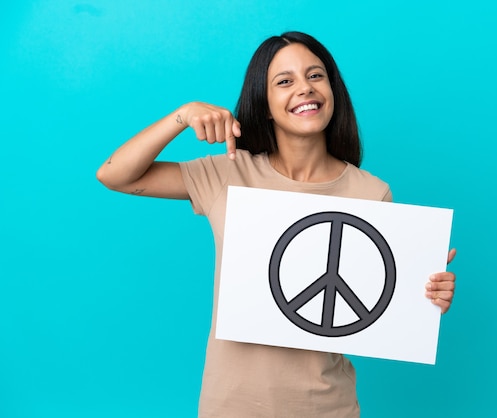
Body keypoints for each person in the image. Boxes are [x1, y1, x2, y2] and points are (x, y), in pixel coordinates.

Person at [96, 31, 457, 417]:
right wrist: (182, 116)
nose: (304, 88)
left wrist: (426, 295)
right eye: (285, 81)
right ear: (264, 104)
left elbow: (373, 301)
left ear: (332, 91)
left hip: (326, 406)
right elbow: (117, 176)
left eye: (316, 76)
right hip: (230, 405)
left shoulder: (371, 192)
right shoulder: (228, 175)